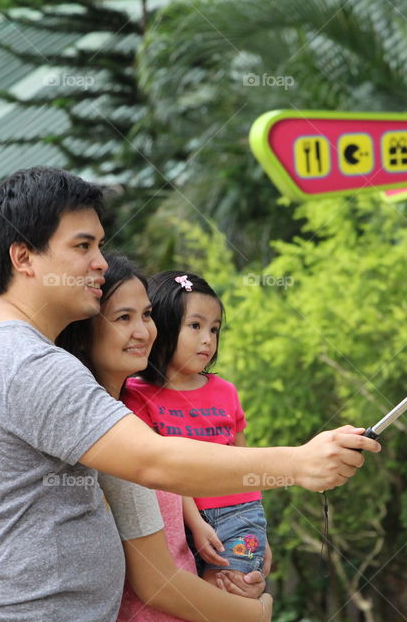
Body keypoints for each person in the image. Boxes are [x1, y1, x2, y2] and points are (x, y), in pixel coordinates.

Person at [0, 166, 381, 621]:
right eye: (83, 245)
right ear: (24, 257)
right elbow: (155, 461)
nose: (100, 262)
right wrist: (299, 464)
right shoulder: (29, 364)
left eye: (99, 245)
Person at [56, 252, 269, 622]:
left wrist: (256, 531)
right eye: (124, 317)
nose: (143, 331)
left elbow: (240, 461)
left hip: (226, 536)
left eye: (147, 316)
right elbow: (158, 582)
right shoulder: (118, 416)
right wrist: (257, 613)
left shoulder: (216, 393)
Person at [124, 271, 268, 589]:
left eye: (214, 329)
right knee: (190, 601)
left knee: (231, 594)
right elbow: (163, 471)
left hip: (237, 513)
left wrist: (260, 531)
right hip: (178, 517)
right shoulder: (136, 393)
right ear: (162, 326)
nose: (207, 339)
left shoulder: (225, 391)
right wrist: (194, 523)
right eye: (195, 326)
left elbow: (246, 462)